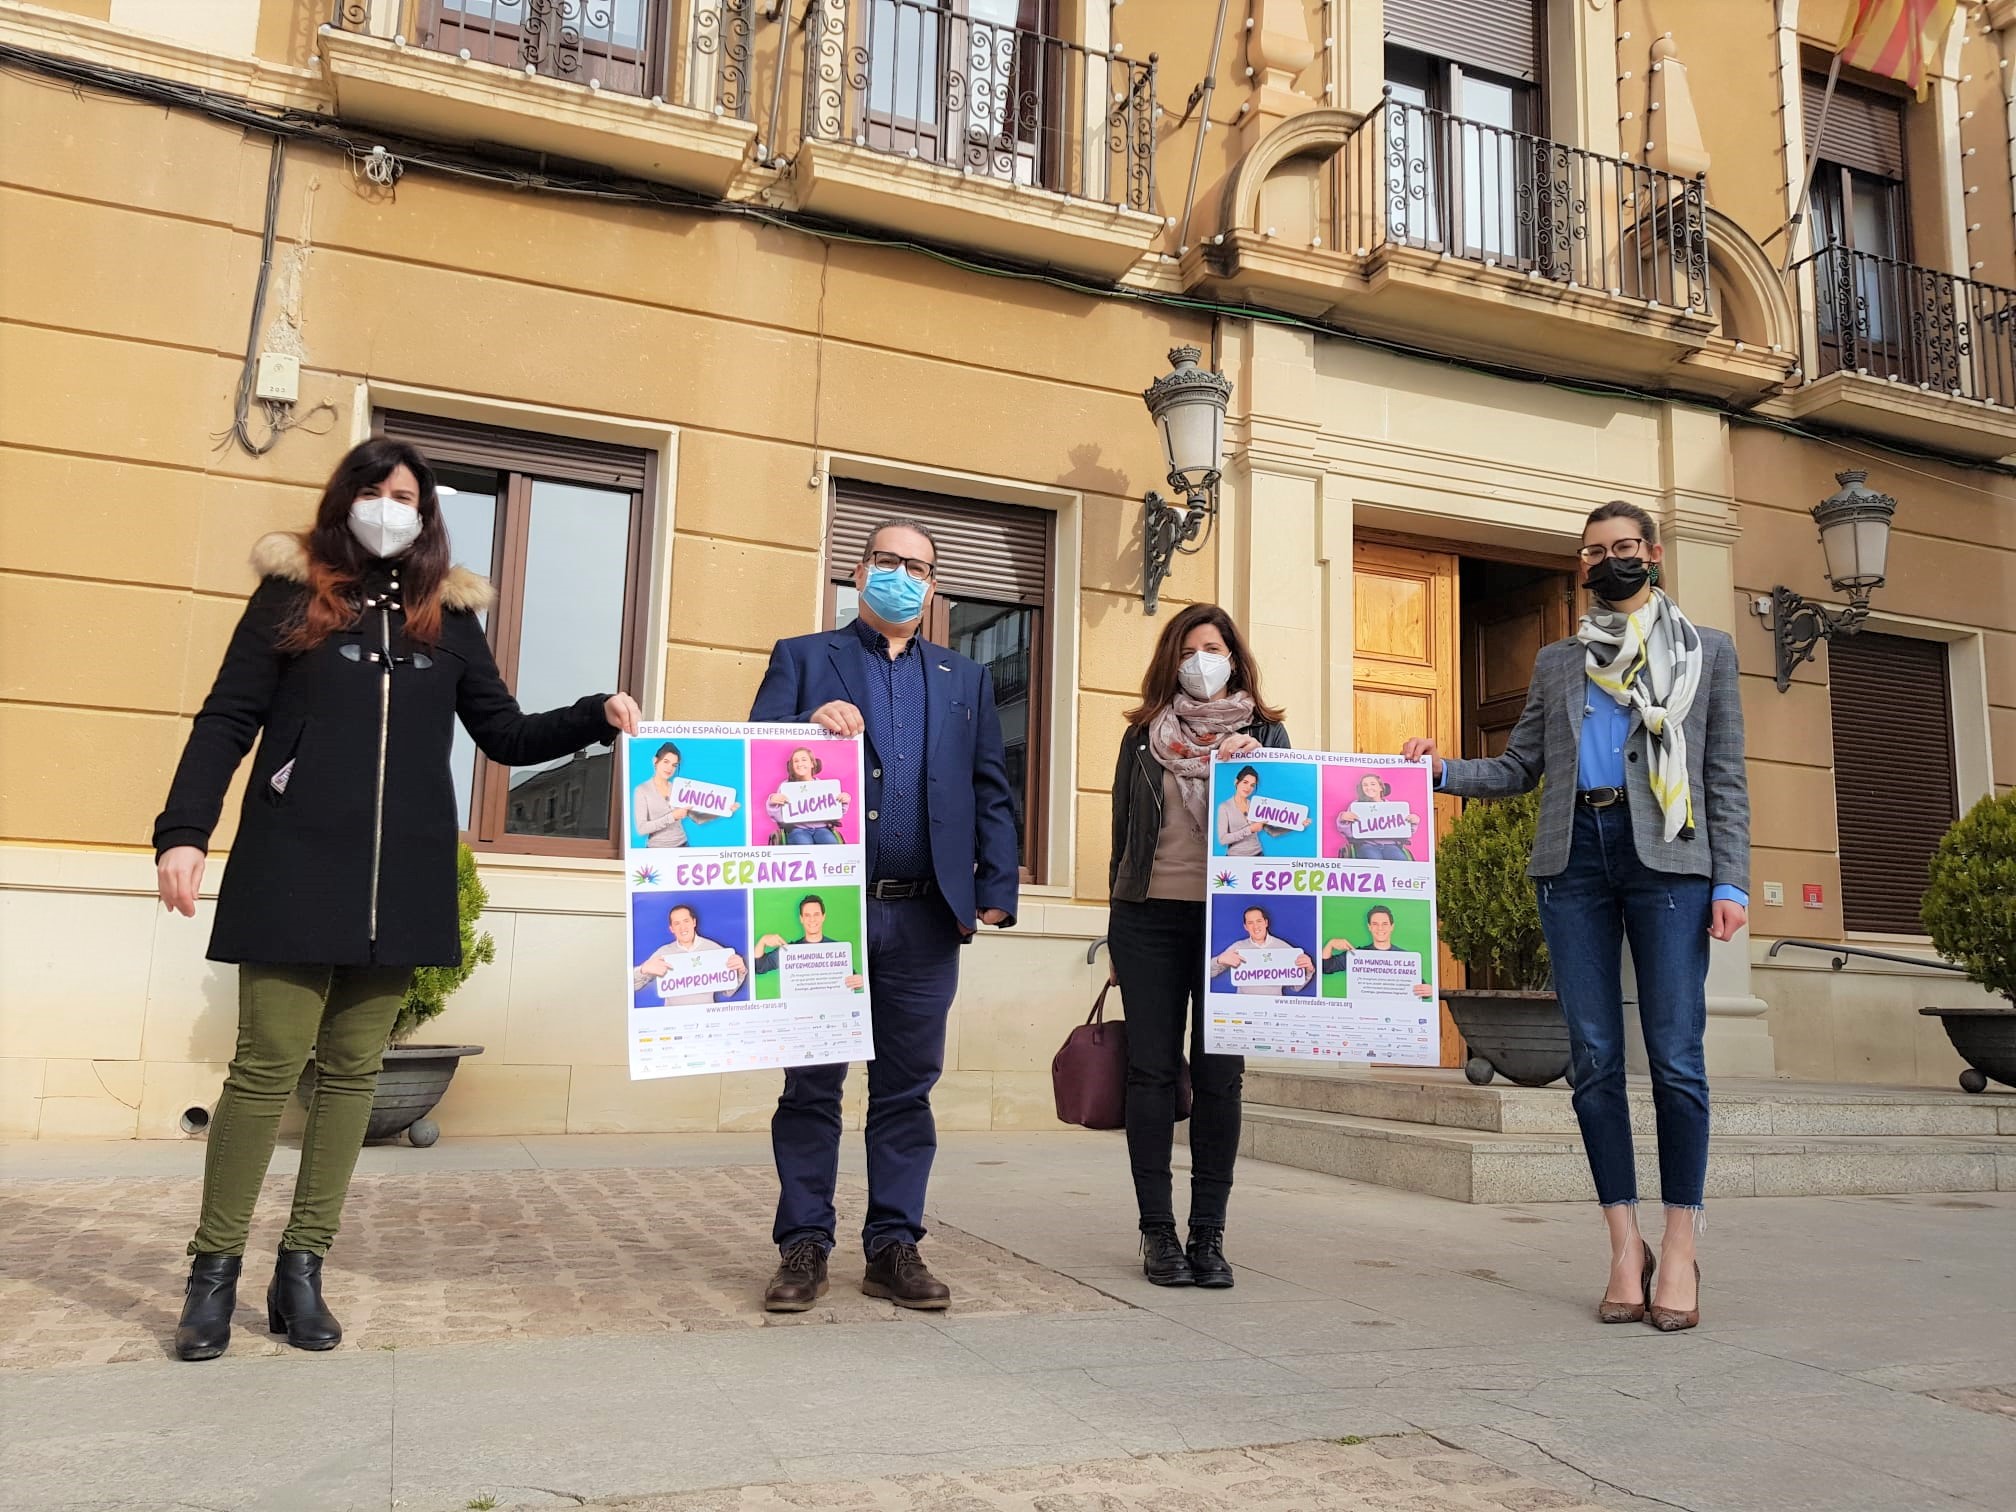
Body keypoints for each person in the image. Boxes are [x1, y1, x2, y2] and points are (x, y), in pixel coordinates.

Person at [152, 437, 641, 1363]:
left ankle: (302, 1270)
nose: (390, 505)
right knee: (265, 1067)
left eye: (407, 494)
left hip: (403, 875)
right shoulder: (291, 596)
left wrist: (595, 713)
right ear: (346, 499)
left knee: (352, 1074)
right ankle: (211, 1274)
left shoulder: (446, 617)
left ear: (426, 513)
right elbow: (226, 718)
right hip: (293, 863)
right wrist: (183, 830)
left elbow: (503, 732)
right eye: (375, 489)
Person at [1403, 500, 1748, 1333]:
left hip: (1671, 860)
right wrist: (1441, 771)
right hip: (1575, 859)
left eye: (1624, 546)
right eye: (1594, 551)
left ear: (1653, 554)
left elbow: (1724, 773)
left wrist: (1732, 883)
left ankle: (1681, 1245)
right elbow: (1521, 767)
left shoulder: (1707, 651)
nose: (1609, 560)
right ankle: (1625, 1246)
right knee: (1593, 1059)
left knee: (1675, 1056)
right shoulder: (1560, 660)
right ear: (1583, 564)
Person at [748, 518, 1019, 1312]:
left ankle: (893, 1246)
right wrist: (806, 727)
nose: (904, 575)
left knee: (907, 1091)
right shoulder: (804, 658)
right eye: (889, 560)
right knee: (811, 1085)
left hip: (926, 916)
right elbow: (754, 757)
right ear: (861, 570)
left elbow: (989, 787)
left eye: (919, 567)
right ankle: (803, 1245)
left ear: (933, 588)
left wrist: (996, 887)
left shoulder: (965, 677)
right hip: (824, 916)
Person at [1107, 604, 1288, 1288]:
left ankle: (1208, 1233)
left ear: (1234, 658)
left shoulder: (1265, 732)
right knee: (1150, 1074)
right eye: (1187, 651)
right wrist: (1115, 932)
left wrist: (1258, 769)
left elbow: (1288, 832)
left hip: (1233, 923)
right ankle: (1157, 1232)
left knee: (1220, 1078)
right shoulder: (1142, 736)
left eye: (1212, 648)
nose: (1200, 661)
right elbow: (1122, 835)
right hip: (1147, 920)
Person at [632, 902, 750, 1005]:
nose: (682, 927)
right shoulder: (663, 953)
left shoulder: (714, 949)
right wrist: (643, 969)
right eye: (677, 923)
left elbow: (728, 992)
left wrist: (740, 971)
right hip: (673, 1020)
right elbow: (633, 986)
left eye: (686, 921)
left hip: (707, 1019)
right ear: (671, 929)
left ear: (694, 922)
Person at [633, 741, 737, 848]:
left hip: (683, 845)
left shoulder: (679, 788)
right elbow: (642, 829)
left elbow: (698, 819)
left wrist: (724, 810)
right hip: (656, 849)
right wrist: (672, 817)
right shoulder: (642, 790)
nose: (670, 768)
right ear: (655, 761)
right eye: (666, 762)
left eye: (674, 765)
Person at [754, 894, 866, 992]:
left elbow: (853, 981)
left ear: (823, 917)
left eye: (816, 914)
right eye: (807, 915)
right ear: (801, 919)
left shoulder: (838, 950)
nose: (812, 919)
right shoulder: (789, 951)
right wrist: (762, 941)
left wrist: (859, 981)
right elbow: (758, 966)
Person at [1321, 904, 1437, 998]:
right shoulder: (1357, 956)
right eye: (1375, 924)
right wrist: (1330, 944)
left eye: (1385, 924)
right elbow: (1326, 967)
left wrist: (1429, 990)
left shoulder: (1405, 958)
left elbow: (1422, 990)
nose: (1380, 928)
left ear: (1392, 927)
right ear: (1369, 927)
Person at [1210, 904, 1316, 997]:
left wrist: (1308, 970)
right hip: (1243, 1007)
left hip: (1273, 1008)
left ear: (1266, 923)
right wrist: (1219, 960)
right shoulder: (1237, 947)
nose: (1255, 926)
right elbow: (1209, 973)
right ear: (1245, 927)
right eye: (1250, 923)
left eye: (1259, 921)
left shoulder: (1284, 948)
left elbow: (1296, 987)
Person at [764, 746, 849, 845]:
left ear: (812, 764)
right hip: (797, 829)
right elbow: (779, 817)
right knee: (803, 843)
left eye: (804, 760)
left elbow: (835, 813)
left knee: (830, 843)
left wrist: (843, 801)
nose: (800, 764)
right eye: (796, 761)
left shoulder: (824, 787)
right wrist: (773, 801)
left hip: (822, 828)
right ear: (792, 766)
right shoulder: (786, 787)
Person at [1335, 773, 1421, 861]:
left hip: (1391, 845)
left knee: (1400, 859)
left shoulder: (1394, 808)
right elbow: (1349, 834)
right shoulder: (1356, 806)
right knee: (1373, 859)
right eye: (1365, 785)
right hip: (1366, 845)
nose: (1369, 788)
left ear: (1381, 787)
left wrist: (1413, 823)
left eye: (1373, 784)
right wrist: (1343, 820)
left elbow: (1405, 832)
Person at [1215, 765, 1273, 856]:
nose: (1248, 788)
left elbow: (1272, 831)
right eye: (1245, 782)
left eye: (1252, 785)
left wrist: (1294, 824)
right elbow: (1223, 839)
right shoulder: (1224, 807)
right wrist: (1250, 829)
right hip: (1234, 857)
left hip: (1258, 854)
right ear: (1236, 782)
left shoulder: (1255, 805)